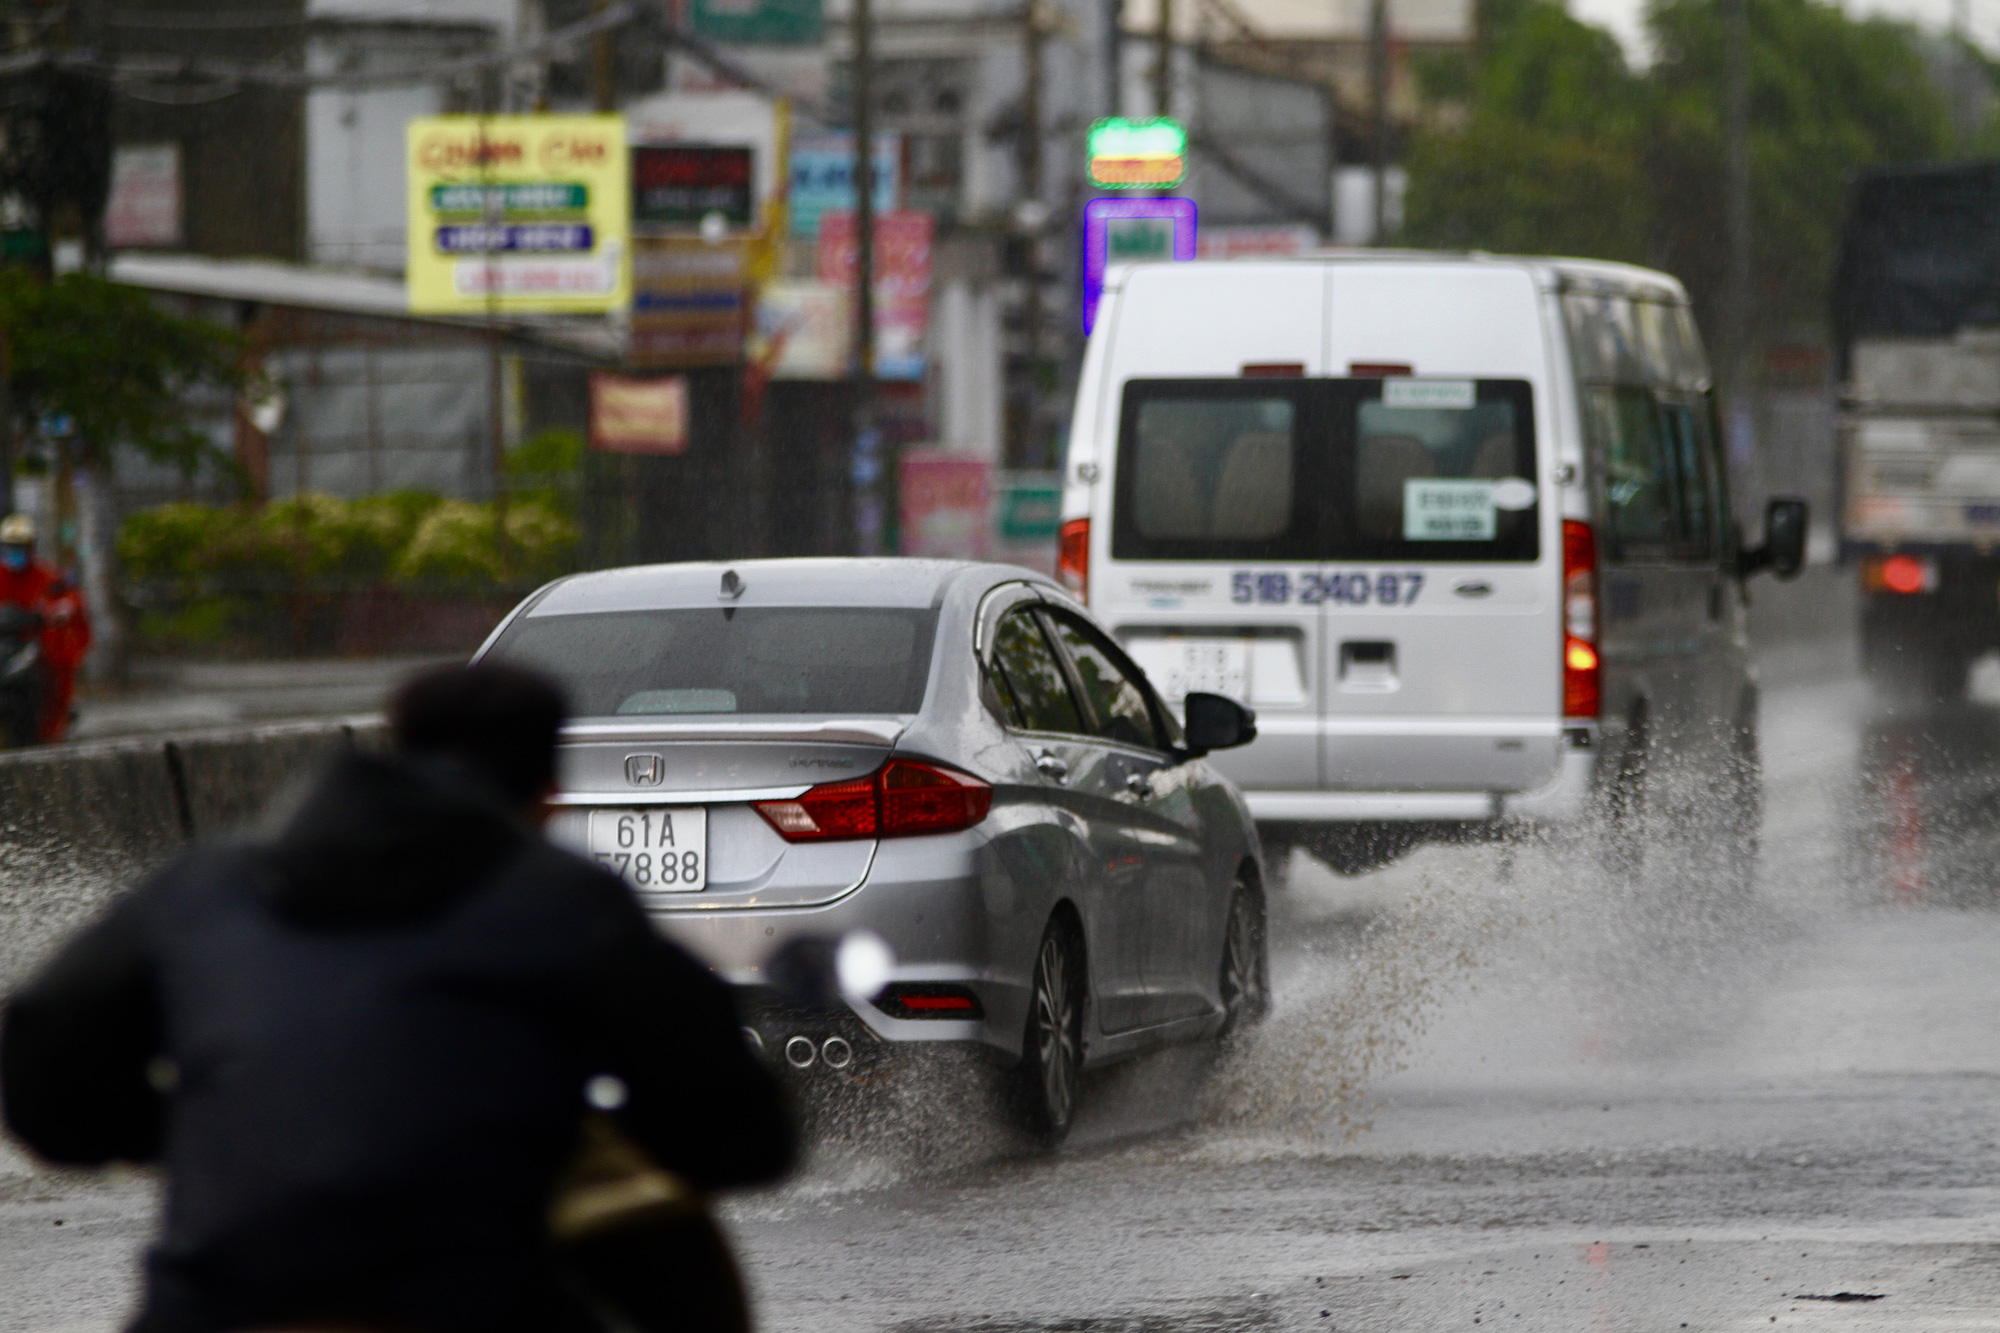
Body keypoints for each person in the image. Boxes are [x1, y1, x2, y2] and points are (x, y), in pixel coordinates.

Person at [0, 662, 795, 1333]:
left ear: (396, 745)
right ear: (547, 792)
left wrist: (194, 1128)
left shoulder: (202, 887)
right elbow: (742, 1137)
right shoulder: (563, 904)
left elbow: (37, 1074)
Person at [0, 512, 90, 742]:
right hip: (4, 642)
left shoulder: (46, 575)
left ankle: (52, 728)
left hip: (32, 643)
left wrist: (61, 609)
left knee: (53, 672)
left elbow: (70, 599)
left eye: (20, 547)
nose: (15, 553)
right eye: (10, 546)